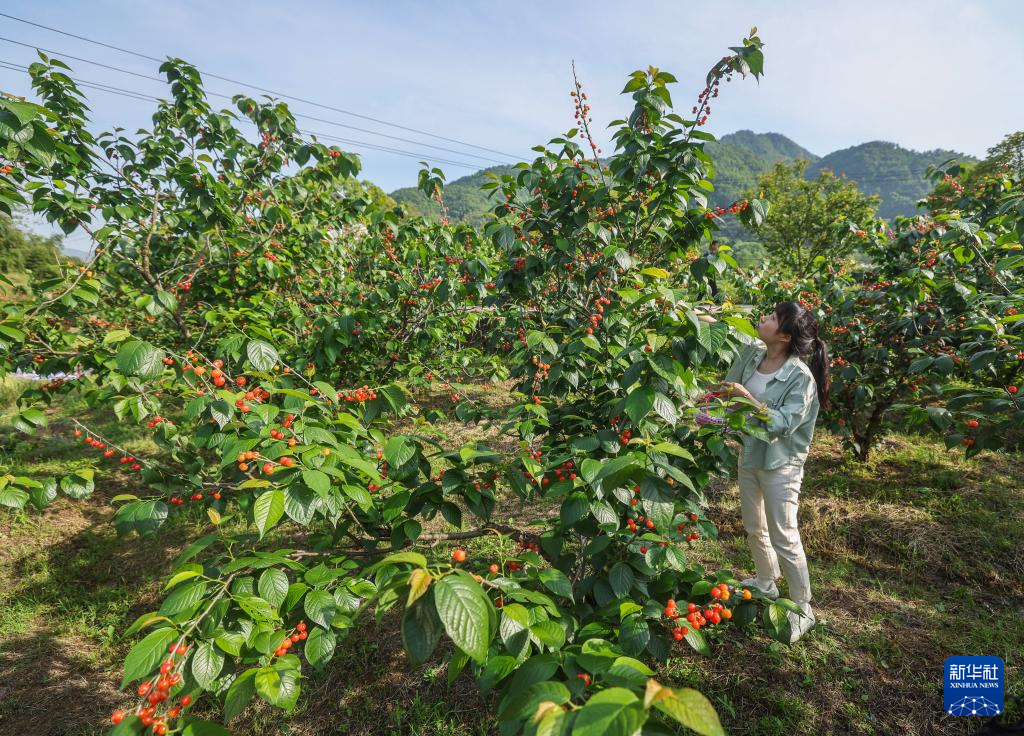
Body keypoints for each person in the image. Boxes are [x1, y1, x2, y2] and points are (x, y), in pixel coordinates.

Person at [703, 301, 830, 642]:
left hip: (781, 465)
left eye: (772, 317)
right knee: (753, 524)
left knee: (784, 533)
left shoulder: (800, 378)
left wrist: (749, 400)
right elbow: (726, 387)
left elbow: (782, 425)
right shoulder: (750, 353)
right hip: (750, 453)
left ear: (786, 336)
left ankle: (804, 607)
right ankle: (765, 580)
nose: (764, 318)